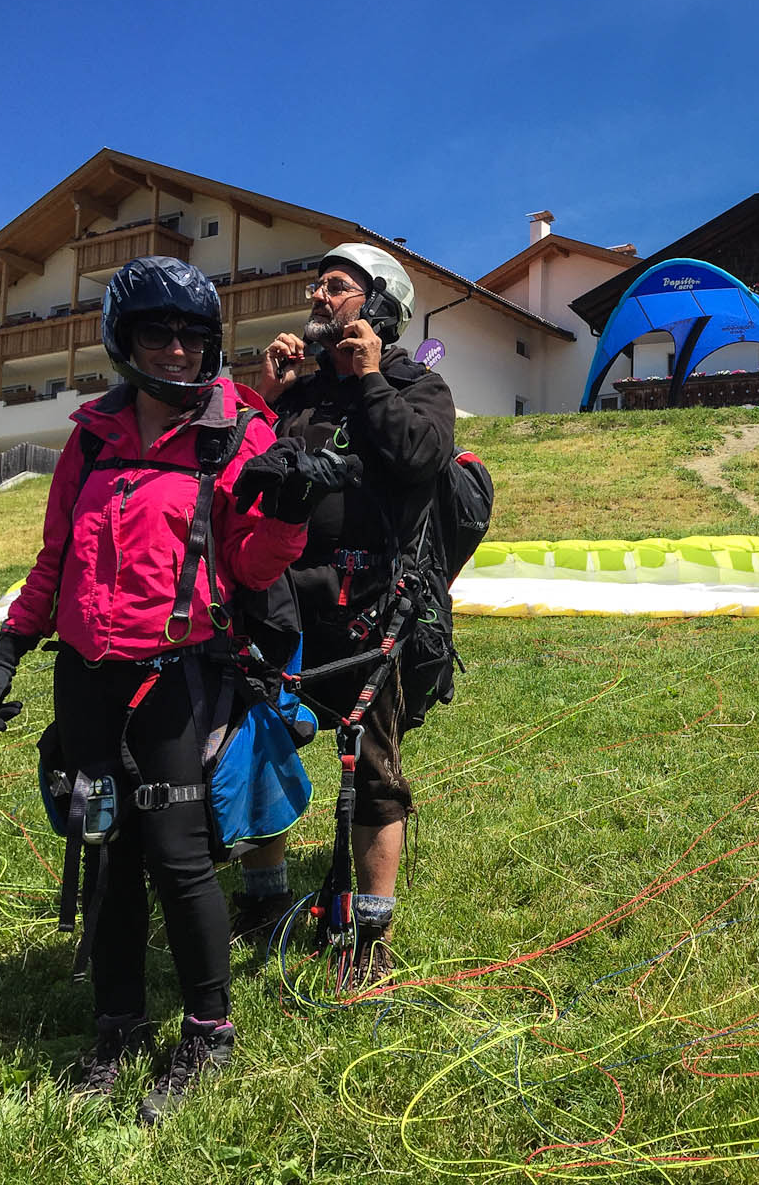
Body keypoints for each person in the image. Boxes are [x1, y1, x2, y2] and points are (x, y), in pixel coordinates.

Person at [0, 258, 324, 1123]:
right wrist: (7, 651)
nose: (176, 349)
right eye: (156, 333)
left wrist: (288, 514)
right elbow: (55, 558)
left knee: (177, 854)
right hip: (86, 678)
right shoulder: (90, 439)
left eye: (192, 335)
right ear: (122, 341)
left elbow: (249, 566)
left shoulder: (235, 435)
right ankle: (118, 1028)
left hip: (176, 678)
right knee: (109, 854)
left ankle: (207, 1033)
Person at [235, 243, 456, 986]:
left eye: (336, 286)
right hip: (280, 603)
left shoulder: (416, 386)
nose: (318, 297)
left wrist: (369, 379)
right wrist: (267, 398)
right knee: (261, 745)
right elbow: (242, 474)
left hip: (370, 606)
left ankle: (371, 935)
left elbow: (419, 458)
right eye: (317, 286)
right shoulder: (300, 394)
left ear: (380, 304)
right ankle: (264, 899)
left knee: (373, 768)